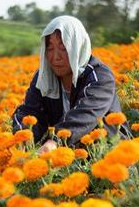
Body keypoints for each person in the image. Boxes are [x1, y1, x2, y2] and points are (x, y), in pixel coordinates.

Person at [12, 15, 131, 154]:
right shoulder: (44, 77)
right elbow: (28, 111)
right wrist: (22, 139)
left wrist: (55, 140)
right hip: (66, 157)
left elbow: (86, 113)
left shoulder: (99, 76)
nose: (55, 57)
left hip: (110, 153)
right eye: (50, 49)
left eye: (63, 48)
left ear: (77, 47)